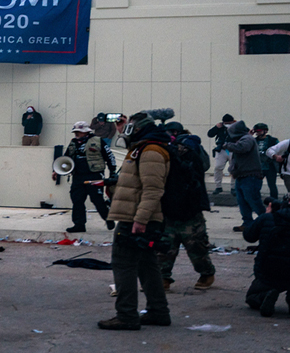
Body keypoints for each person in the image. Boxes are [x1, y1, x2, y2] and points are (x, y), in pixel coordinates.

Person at [98, 112, 170, 331]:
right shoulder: (143, 148)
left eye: (129, 126)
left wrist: (140, 219)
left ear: (139, 129)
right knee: (147, 266)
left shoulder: (151, 151)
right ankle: (158, 311)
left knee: (124, 265)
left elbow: (153, 189)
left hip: (136, 218)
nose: (125, 129)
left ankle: (126, 315)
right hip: (137, 217)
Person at [157, 133, 215, 292]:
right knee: (164, 248)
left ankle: (206, 273)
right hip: (169, 210)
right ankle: (162, 277)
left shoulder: (192, 155)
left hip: (189, 211)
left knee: (196, 247)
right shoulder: (165, 156)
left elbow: (198, 169)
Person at [58, 122, 114, 233]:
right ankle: (79, 225)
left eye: (79, 132)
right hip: (78, 176)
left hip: (94, 175)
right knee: (77, 200)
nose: (77, 134)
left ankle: (108, 218)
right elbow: (66, 158)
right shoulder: (73, 143)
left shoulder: (98, 141)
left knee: (97, 200)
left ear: (86, 131)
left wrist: (112, 172)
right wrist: (56, 171)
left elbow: (109, 157)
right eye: (75, 132)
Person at [222, 120, 265, 232]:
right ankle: (247, 222)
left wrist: (226, 145)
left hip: (251, 176)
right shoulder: (244, 138)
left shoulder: (247, 139)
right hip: (242, 176)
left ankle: (266, 220)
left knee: (253, 200)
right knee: (242, 201)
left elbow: (242, 148)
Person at [208, 114, 236, 194]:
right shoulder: (220, 127)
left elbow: (245, 132)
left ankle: (233, 187)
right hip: (222, 150)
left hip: (233, 149)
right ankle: (218, 186)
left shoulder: (237, 127)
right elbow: (210, 134)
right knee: (218, 167)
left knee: (234, 168)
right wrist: (216, 127)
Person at [253, 123, 280, 200]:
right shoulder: (253, 141)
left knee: (272, 185)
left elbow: (279, 150)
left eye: (259, 131)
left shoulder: (273, 140)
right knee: (256, 185)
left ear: (265, 131)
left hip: (270, 166)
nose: (257, 133)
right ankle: (256, 201)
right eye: (256, 131)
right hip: (257, 166)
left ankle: (274, 201)